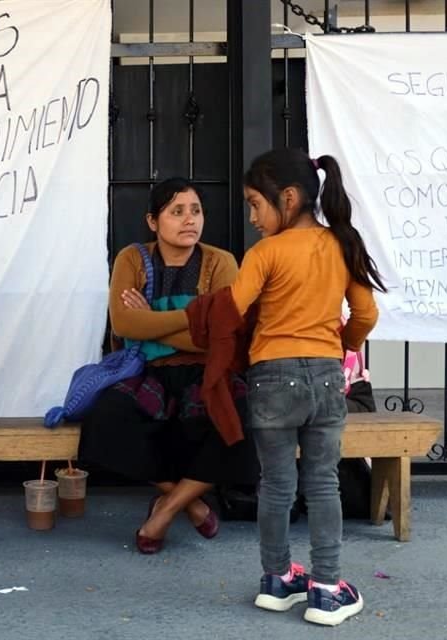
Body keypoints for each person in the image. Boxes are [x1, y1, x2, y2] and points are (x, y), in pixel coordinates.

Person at [232, 149, 382, 626]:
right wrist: (344, 345)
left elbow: (232, 310)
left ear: (289, 198)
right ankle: (326, 588)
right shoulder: (341, 244)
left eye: (256, 204)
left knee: (275, 484)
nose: (253, 217)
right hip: (323, 374)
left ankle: (277, 580)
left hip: (270, 377)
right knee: (322, 483)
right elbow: (366, 314)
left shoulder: (264, 253)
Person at [78, 177, 256, 554]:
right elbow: (125, 324)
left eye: (195, 211)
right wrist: (193, 320)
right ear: (153, 221)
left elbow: (221, 338)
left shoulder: (220, 263)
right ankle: (191, 503)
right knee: (105, 417)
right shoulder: (132, 259)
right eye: (177, 212)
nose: (189, 219)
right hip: (147, 372)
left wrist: (153, 321)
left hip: (207, 369)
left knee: (237, 418)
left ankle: (165, 511)